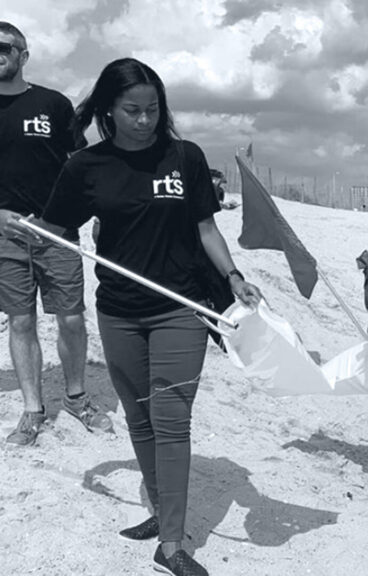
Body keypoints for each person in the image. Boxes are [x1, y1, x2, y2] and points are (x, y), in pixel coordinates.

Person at [40, 58, 263, 576]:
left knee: (172, 420)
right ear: (108, 110)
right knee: (139, 419)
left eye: (152, 109)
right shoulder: (86, 166)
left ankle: (172, 543)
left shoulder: (184, 157)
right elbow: (56, 229)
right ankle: (162, 512)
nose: (144, 120)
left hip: (179, 307)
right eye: (132, 110)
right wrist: (24, 227)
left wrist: (233, 276)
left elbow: (206, 228)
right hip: (118, 310)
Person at [0, 22, 111, 446]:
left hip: (57, 231)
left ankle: (77, 397)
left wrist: (95, 212)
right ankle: (32, 409)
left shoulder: (52, 104)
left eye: (4, 47)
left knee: (70, 318)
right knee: (20, 320)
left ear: (23, 55)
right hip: (6, 236)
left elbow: (81, 165)